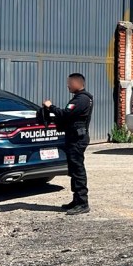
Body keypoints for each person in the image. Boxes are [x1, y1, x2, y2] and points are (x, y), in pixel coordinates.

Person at [43, 73, 94, 216]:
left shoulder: (82, 99)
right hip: (73, 138)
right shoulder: (79, 98)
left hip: (77, 139)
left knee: (78, 170)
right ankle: (76, 200)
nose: (68, 86)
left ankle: (82, 203)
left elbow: (65, 114)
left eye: (70, 83)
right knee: (73, 170)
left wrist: (50, 106)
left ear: (78, 83)